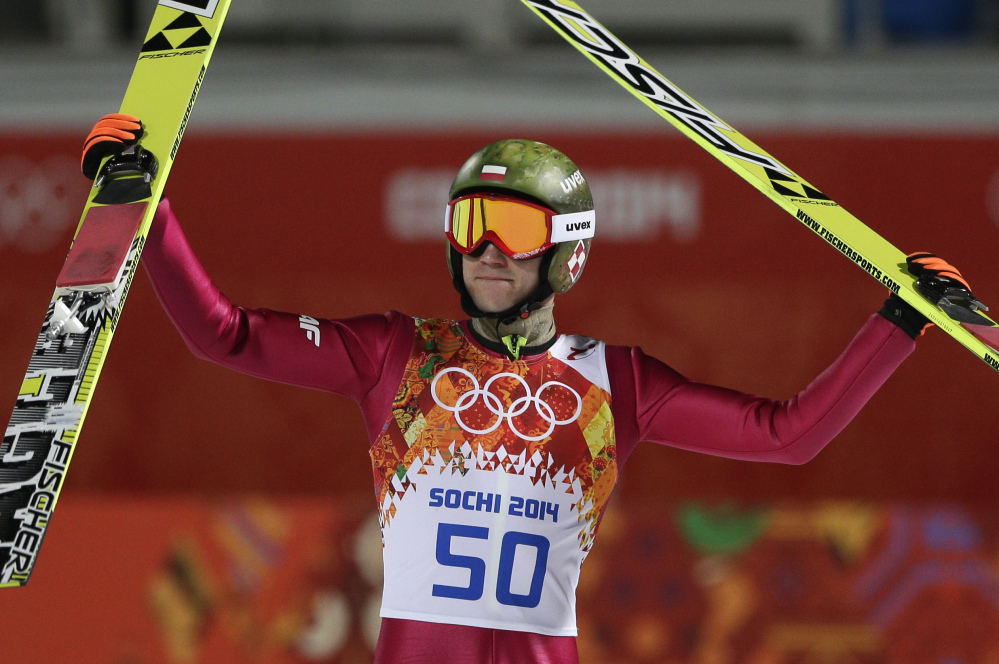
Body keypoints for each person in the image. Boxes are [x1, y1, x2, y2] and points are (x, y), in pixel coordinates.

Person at [82, 115, 974, 664]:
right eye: (470, 225)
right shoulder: (396, 355)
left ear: (570, 250)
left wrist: (901, 323)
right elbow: (222, 333)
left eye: (512, 227)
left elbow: (788, 435)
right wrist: (143, 207)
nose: (487, 250)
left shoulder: (612, 383)